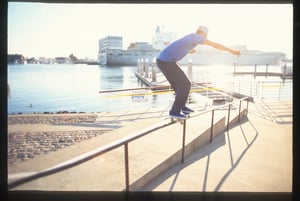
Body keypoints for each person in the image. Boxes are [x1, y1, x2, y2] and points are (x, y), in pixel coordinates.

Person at [156, 26, 240, 119]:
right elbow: (214, 44)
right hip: (166, 62)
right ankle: (174, 111)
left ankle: (182, 107)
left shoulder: (191, 38)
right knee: (186, 84)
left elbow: (181, 45)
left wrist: (191, 50)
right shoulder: (196, 37)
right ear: (203, 34)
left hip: (163, 61)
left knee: (179, 86)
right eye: (205, 36)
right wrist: (232, 51)